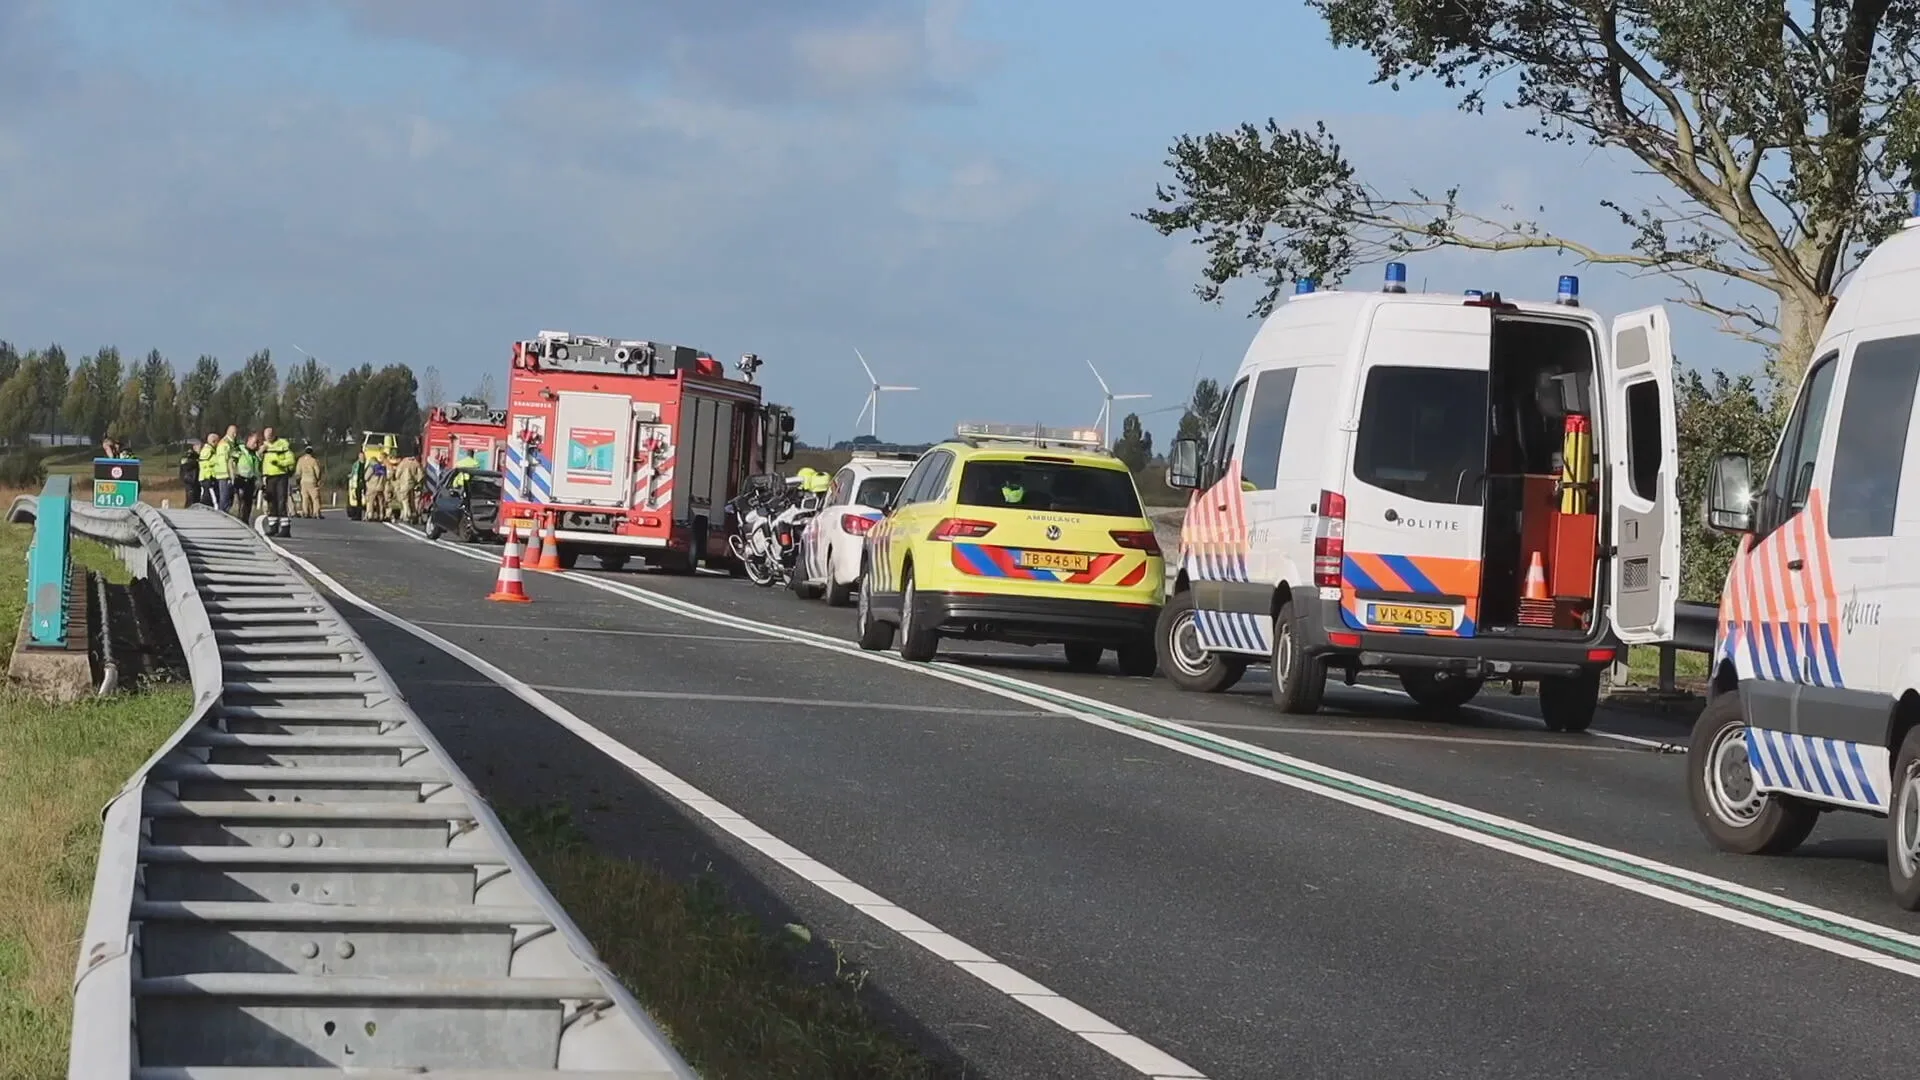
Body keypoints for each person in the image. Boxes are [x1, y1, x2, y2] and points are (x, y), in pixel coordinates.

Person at [260, 426, 295, 536]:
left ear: (274, 434)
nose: (269, 439)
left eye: (270, 436)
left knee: (281, 501)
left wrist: (279, 463)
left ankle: (285, 529)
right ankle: (273, 527)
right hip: (269, 477)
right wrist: (260, 452)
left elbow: (291, 460)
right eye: (267, 437)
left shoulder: (282, 444)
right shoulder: (264, 446)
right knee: (271, 502)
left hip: (281, 476)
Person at [232, 432, 261, 522]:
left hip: (251, 480)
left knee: (248, 502)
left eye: (257, 443)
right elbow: (232, 462)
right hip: (240, 478)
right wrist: (233, 475)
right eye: (254, 442)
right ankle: (239, 520)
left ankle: (245, 520)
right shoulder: (240, 449)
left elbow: (257, 469)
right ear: (248, 440)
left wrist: (258, 480)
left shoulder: (255, 454)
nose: (255, 445)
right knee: (241, 502)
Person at [393, 452, 425, 525]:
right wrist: (416, 481)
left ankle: (407, 514)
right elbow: (421, 475)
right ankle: (413, 514)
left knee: (404, 500)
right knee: (412, 500)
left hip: (404, 484)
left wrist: (398, 478)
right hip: (412, 485)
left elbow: (397, 474)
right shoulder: (416, 463)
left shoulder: (403, 463)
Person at [296, 445, 323, 518]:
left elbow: (298, 472)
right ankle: (316, 513)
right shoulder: (314, 460)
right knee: (315, 498)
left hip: (303, 481)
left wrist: (298, 480)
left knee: (305, 497)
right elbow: (317, 471)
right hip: (312, 481)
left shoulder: (300, 460)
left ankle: (305, 512)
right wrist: (318, 479)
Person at [365, 452, 389, 522]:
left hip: (372, 487)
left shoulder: (372, 467)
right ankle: (381, 515)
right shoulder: (383, 468)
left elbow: (366, 477)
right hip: (381, 487)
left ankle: (370, 515)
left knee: (371, 502)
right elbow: (386, 477)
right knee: (380, 503)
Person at [197, 432, 219, 508]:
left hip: (205, 477)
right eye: (217, 441)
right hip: (207, 478)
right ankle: (216, 510)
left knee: (206, 497)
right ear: (214, 441)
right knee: (213, 498)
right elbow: (205, 463)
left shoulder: (208, 450)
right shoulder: (208, 451)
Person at [180, 440, 202, 508]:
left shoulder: (195, 456)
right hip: (190, 480)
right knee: (191, 499)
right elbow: (186, 466)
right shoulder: (191, 457)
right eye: (199, 446)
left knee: (195, 499)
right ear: (194, 447)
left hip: (193, 481)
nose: (200, 448)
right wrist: (197, 461)